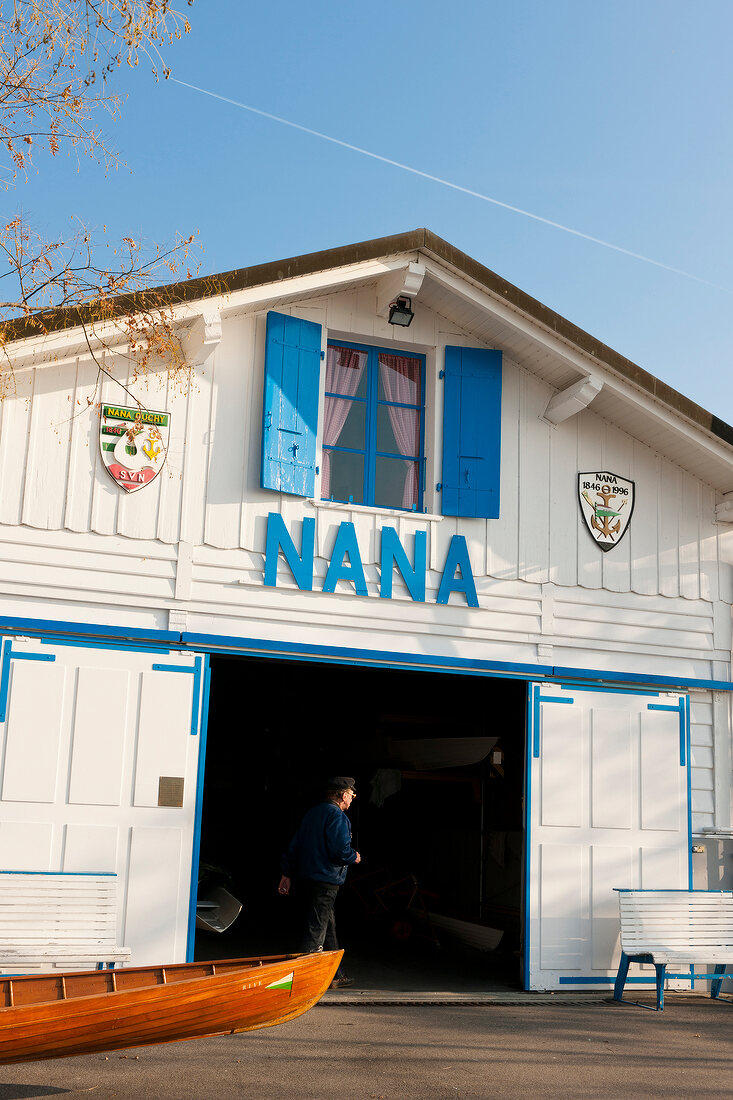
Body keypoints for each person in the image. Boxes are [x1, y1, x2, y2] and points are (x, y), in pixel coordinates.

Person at [278, 776, 361, 989]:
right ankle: (301, 983)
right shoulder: (338, 817)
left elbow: (294, 845)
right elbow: (340, 851)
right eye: (351, 795)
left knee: (328, 925)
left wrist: (286, 873)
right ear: (343, 795)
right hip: (327, 881)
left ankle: (336, 975)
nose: (352, 799)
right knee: (316, 930)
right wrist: (354, 857)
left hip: (309, 879)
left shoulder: (312, 813)